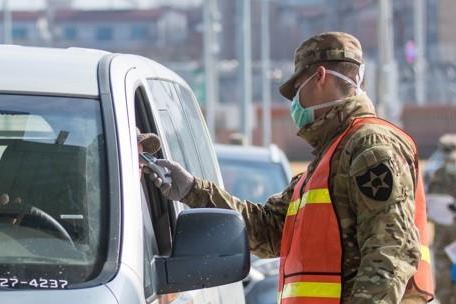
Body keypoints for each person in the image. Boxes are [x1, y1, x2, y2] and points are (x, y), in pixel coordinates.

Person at [146, 32, 434, 303]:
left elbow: (389, 252)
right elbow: (268, 229)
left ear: (319, 77)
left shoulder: (370, 146)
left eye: (297, 89)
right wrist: (192, 190)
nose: (294, 102)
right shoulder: (330, 155)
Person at [0, 127, 161, 209]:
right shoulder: (53, 196)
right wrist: (0, 216)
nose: (140, 165)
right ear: (96, 163)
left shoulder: (144, 208)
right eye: (130, 158)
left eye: (142, 158)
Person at [427, 134, 456, 304]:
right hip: (448, 226)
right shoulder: (435, 171)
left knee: (442, 261)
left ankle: (445, 297)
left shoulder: (435, 171)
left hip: (442, 227)